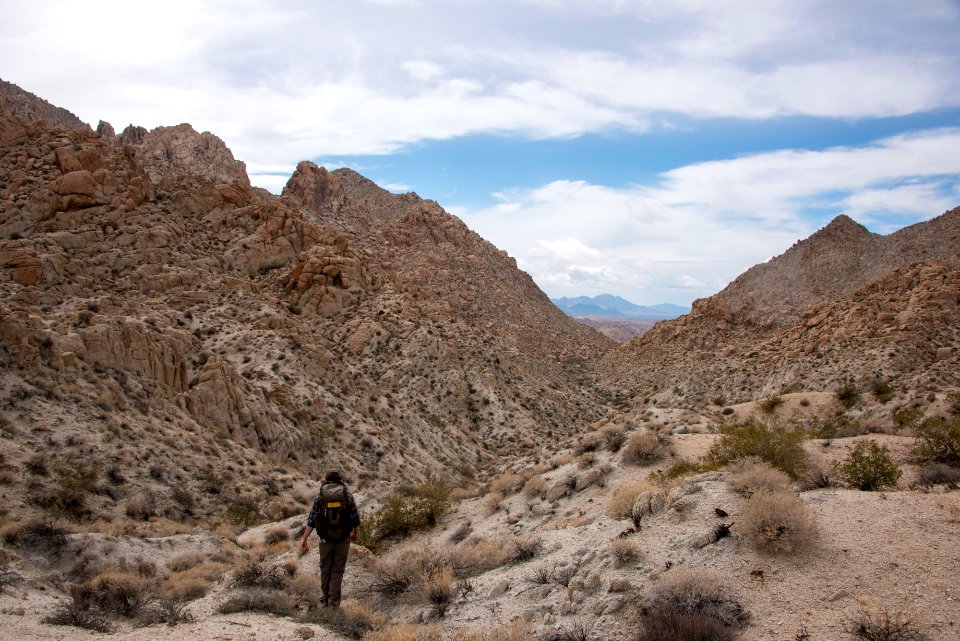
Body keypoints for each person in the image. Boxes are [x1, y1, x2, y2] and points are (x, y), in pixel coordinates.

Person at [299, 471, 361, 608]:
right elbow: (355, 518)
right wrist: (355, 533)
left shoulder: (320, 497)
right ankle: (334, 604)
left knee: (325, 569)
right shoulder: (347, 496)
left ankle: (324, 601)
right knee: (337, 571)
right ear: (340, 481)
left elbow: (311, 520)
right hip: (343, 538)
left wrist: (304, 538)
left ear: (326, 481)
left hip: (325, 539)